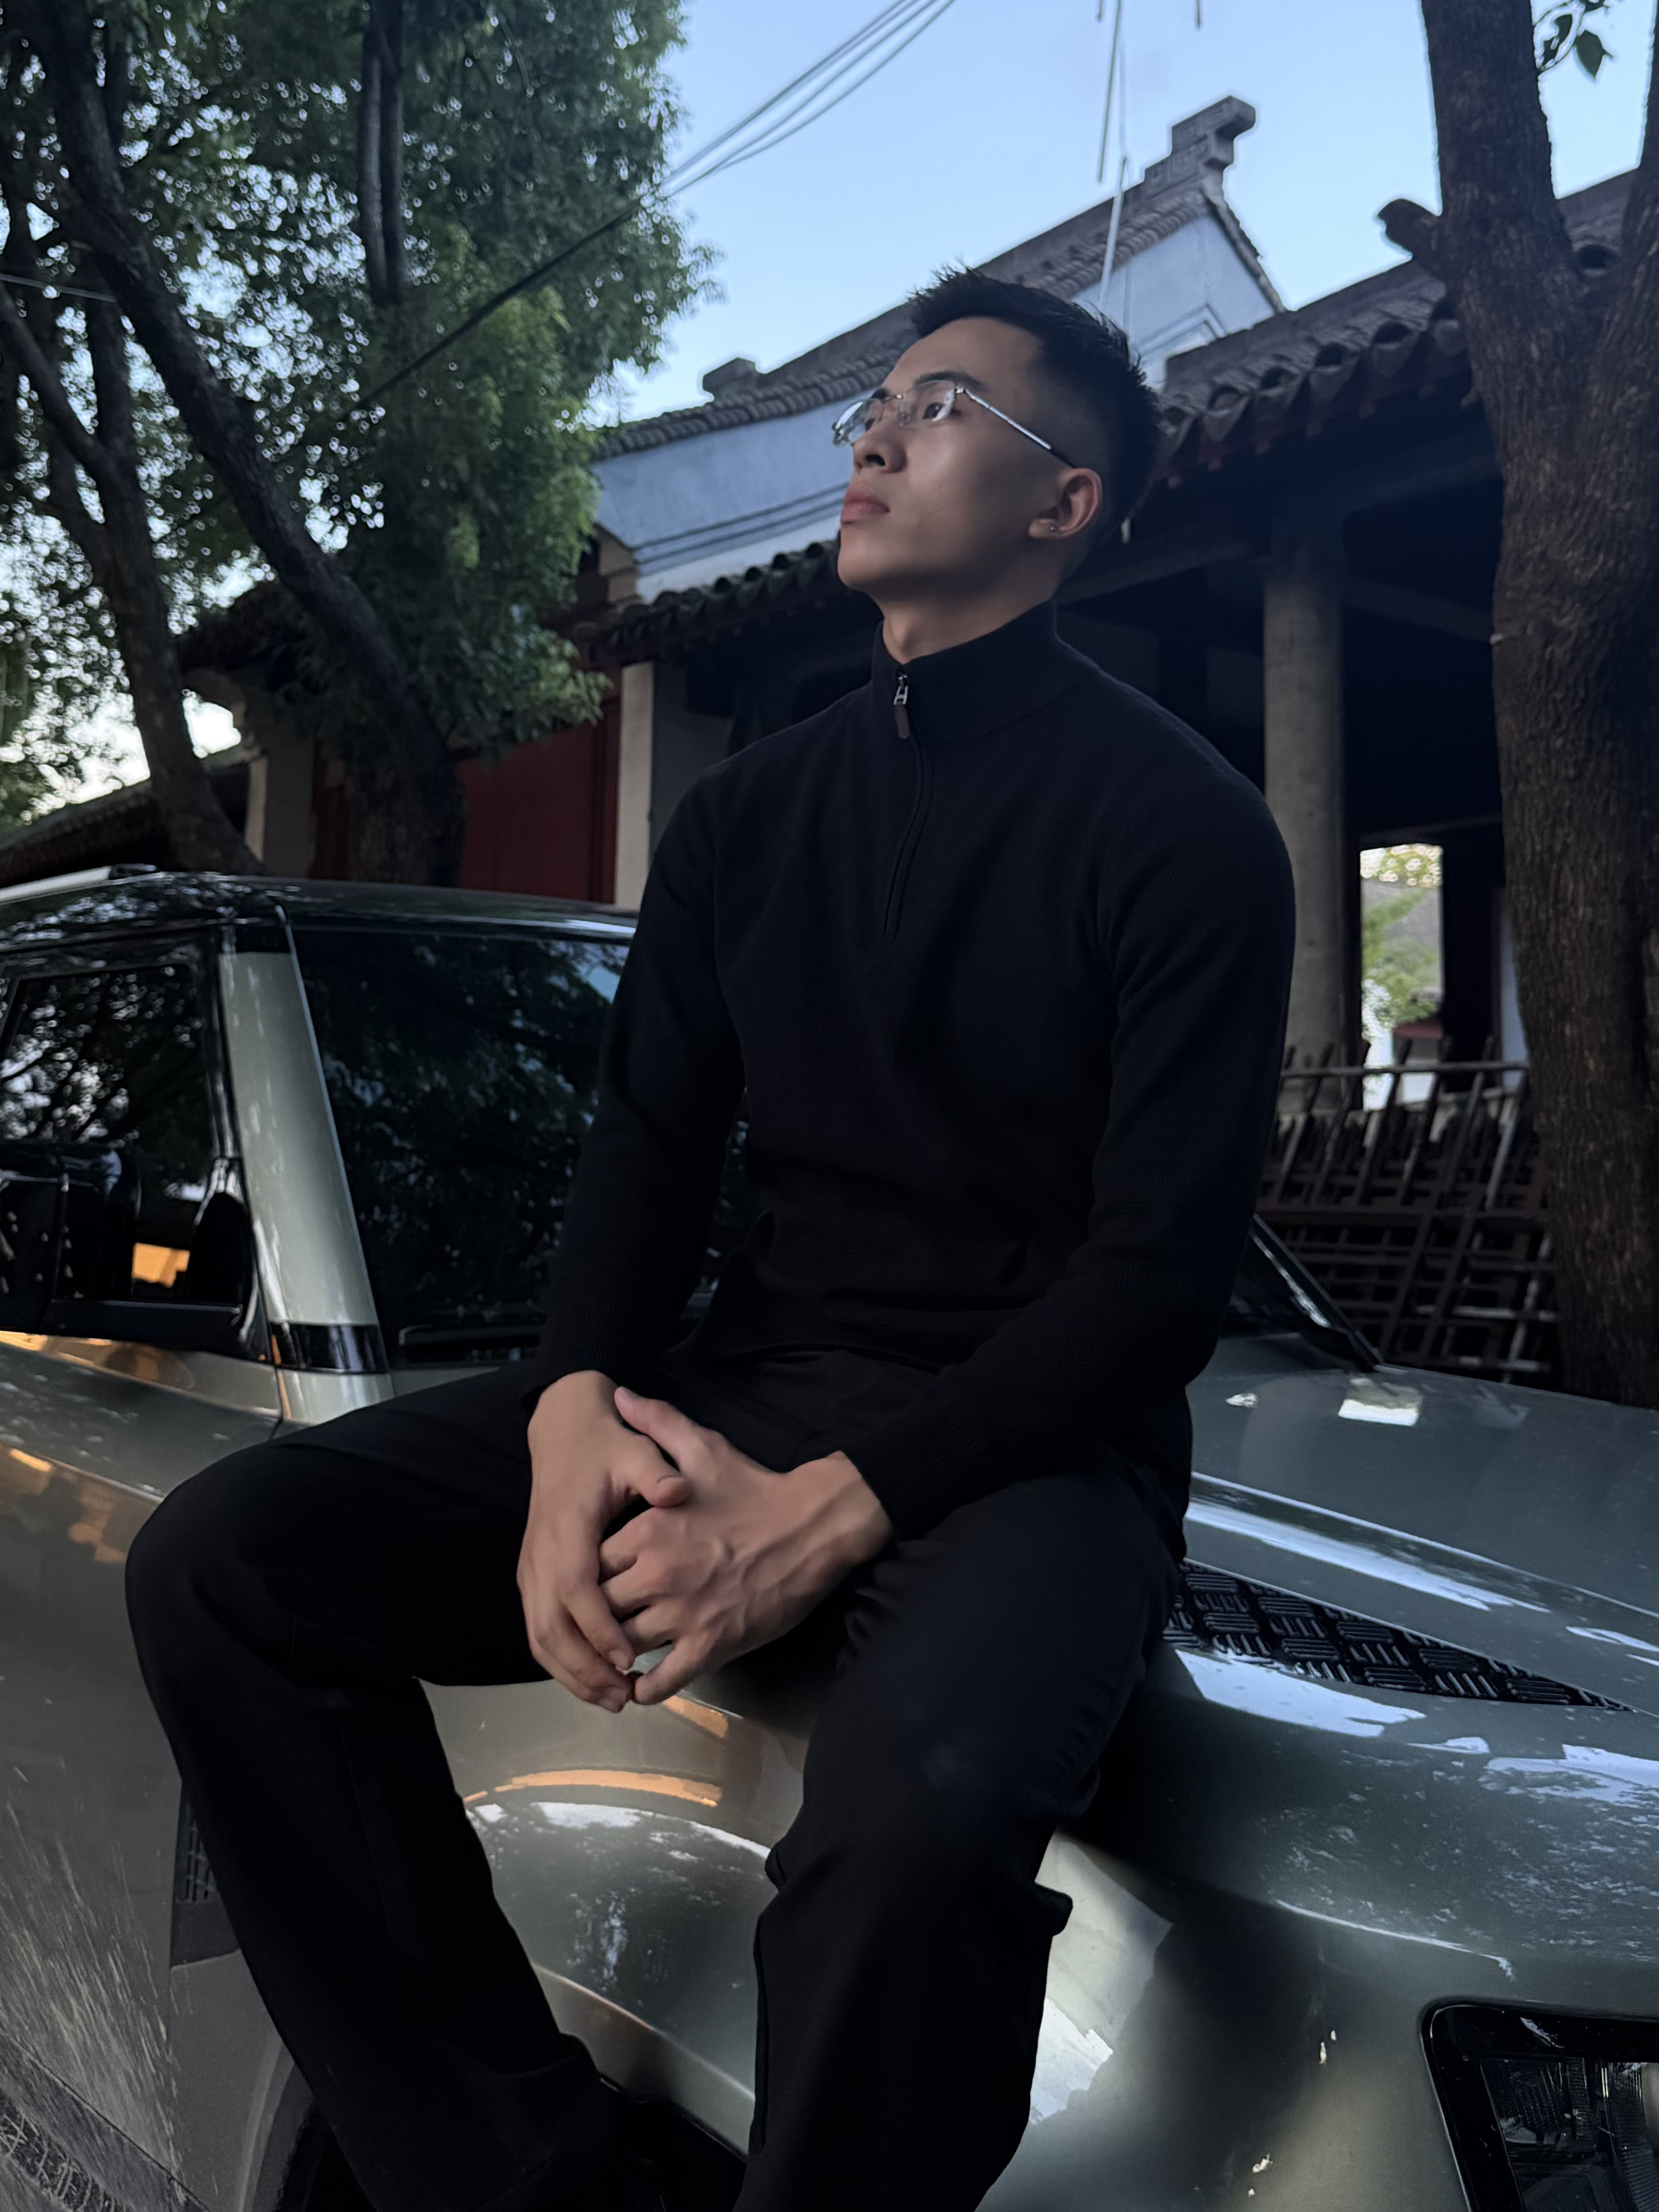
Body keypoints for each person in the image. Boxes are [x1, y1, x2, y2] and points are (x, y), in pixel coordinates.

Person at [125, 269, 1294, 2212]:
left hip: (1031, 1454)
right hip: (740, 1381)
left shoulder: (1190, 831)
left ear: (1064, 501)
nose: (876, 431)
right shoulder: (747, 816)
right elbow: (648, 1153)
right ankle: (527, 2179)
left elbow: (1154, 1283)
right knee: (227, 1565)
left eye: (942, 406)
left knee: (921, 1826)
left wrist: (835, 1510)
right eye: (875, 402)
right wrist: (572, 1404)